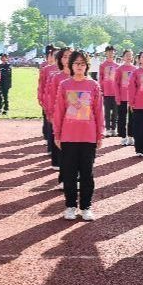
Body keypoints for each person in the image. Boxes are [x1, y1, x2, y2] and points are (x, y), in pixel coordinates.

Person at [53, 50, 103, 221]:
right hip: (69, 136)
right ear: (71, 65)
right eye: (76, 63)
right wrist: (57, 134)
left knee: (87, 173)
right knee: (69, 173)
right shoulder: (64, 85)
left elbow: (98, 111)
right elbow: (59, 110)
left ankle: (86, 206)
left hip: (88, 136)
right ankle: (70, 206)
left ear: (87, 66)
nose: (79, 66)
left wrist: (99, 134)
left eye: (82, 63)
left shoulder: (93, 85)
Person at [44, 47, 73, 182]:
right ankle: (63, 178)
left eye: (70, 56)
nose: (67, 59)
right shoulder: (56, 77)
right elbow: (51, 97)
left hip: (78, 120)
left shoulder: (82, 77)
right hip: (61, 117)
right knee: (62, 146)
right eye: (65, 56)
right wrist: (50, 113)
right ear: (60, 59)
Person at [127, 50, 143, 158]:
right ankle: (139, 149)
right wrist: (131, 102)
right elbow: (131, 88)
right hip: (139, 105)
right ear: (139, 59)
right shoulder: (135, 72)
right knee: (139, 128)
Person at [36, 44, 59, 149]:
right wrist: (41, 97)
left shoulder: (67, 70)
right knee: (48, 121)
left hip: (60, 100)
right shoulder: (46, 69)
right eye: (55, 55)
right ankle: (50, 143)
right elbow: (42, 84)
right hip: (48, 99)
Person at [114, 49, 136, 146]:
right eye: (127, 55)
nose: (128, 57)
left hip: (132, 98)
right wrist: (118, 97)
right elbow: (116, 84)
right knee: (122, 117)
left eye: (130, 55)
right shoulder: (119, 69)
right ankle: (123, 136)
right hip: (122, 97)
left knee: (132, 118)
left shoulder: (135, 69)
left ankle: (131, 137)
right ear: (123, 57)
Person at [98, 46, 119, 136]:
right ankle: (107, 129)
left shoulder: (117, 66)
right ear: (105, 53)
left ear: (114, 53)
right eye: (108, 52)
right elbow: (100, 78)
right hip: (106, 91)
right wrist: (101, 89)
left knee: (115, 112)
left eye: (112, 52)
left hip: (115, 92)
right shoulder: (102, 65)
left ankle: (113, 128)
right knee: (106, 112)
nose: (110, 54)